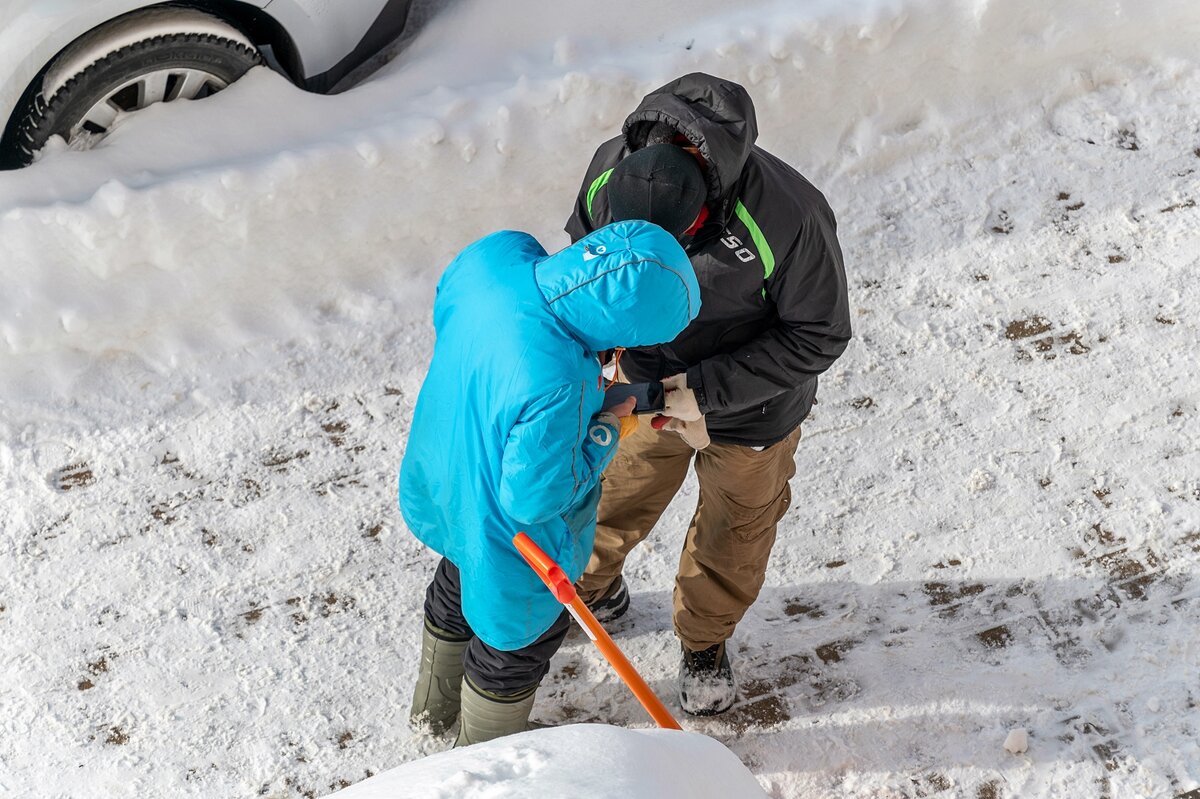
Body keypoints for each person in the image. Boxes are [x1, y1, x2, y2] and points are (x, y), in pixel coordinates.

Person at [565, 72, 853, 716]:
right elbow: (582, 268)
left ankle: (704, 640)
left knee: (737, 530)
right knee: (607, 494)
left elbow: (821, 333)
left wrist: (698, 390)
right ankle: (595, 587)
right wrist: (597, 349)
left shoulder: (790, 215)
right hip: (641, 389)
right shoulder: (611, 176)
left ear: (702, 212)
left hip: (752, 409)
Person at [400, 218, 701, 745]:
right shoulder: (560, 380)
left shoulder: (498, 260)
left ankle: (432, 716)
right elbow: (535, 496)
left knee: (458, 578)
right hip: (514, 537)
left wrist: (590, 403)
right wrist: (604, 434)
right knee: (511, 641)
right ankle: (477, 759)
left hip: (450, 475)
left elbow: (476, 333)